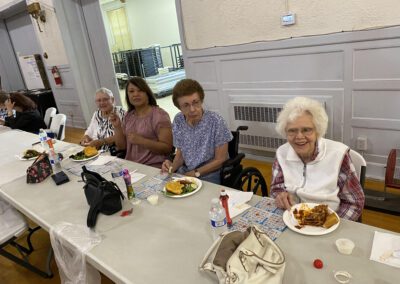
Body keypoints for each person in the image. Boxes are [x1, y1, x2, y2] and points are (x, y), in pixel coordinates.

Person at [271, 96, 365, 221]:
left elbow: (354, 203)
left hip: (328, 219)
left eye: (306, 130)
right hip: (291, 217)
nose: (299, 137)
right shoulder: (282, 153)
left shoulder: (338, 155)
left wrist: (331, 224)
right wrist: (279, 196)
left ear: (317, 131)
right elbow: (276, 188)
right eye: (292, 131)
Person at [161, 79, 232, 184]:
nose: (192, 109)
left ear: (201, 100)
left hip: (211, 173)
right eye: (186, 105)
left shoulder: (216, 121)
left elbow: (220, 160)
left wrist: (196, 173)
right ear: (179, 107)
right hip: (187, 172)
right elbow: (180, 155)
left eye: (196, 102)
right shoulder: (178, 120)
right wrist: (171, 167)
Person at [110, 77, 172, 168]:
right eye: (131, 91)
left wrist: (141, 141)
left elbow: (167, 148)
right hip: (131, 166)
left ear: (147, 93)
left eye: (140, 90)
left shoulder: (160, 115)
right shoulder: (128, 115)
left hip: (154, 166)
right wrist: (117, 127)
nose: (135, 94)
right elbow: (121, 147)